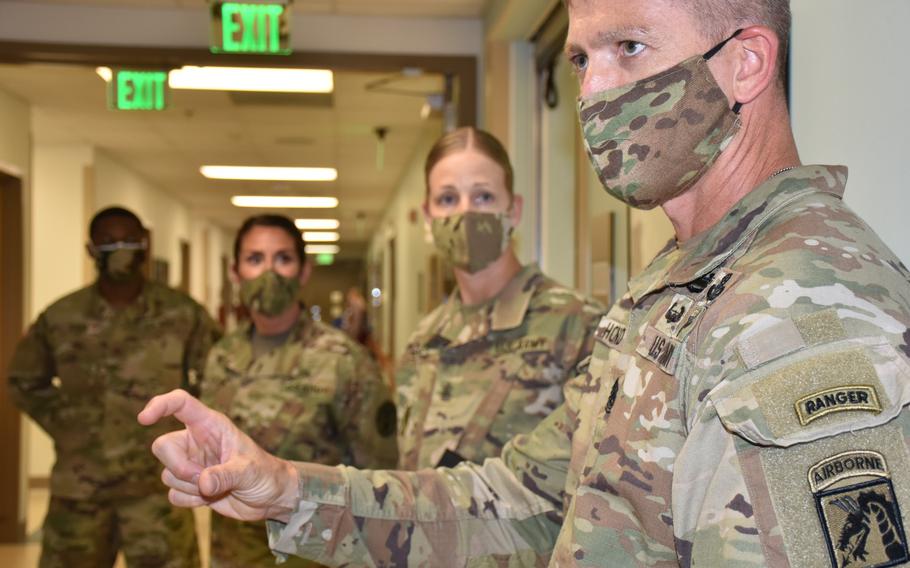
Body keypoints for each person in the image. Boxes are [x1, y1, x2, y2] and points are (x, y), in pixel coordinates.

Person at [140, 0, 910, 566]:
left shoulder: (804, 309)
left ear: (746, 62)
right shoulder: (672, 290)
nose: (596, 92)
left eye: (631, 48)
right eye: (582, 59)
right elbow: (521, 498)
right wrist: (287, 491)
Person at [8, 206, 220, 568]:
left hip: (160, 489)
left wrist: (187, 431)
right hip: (80, 492)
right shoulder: (62, 316)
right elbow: (24, 380)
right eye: (107, 242)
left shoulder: (183, 314)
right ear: (91, 250)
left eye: (128, 240)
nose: (119, 249)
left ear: (145, 245)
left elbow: (218, 379)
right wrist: (69, 424)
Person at [395, 127, 604, 469]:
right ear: (429, 218)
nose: (466, 213)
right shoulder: (422, 344)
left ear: (514, 211)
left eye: (483, 197)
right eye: (448, 199)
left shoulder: (577, 325)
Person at [199, 214, 398, 568]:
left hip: (317, 548)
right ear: (235, 272)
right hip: (234, 550)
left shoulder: (342, 358)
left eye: (283, 259)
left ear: (303, 272)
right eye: (255, 259)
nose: (269, 272)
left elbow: (379, 473)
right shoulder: (221, 357)